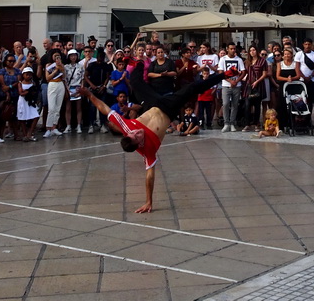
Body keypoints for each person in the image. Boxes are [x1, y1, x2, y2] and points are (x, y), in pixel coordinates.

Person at [85, 62, 225, 212]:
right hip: (168, 109)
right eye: (137, 136)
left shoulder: (127, 128)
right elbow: (149, 176)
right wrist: (148, 201)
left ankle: (138, 62)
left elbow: (105, 109)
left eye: (134, 132)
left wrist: (88, 94)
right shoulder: (148, 150)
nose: (138, 132)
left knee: (135, 82)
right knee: (191, 89)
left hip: (152, 103)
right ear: (139, 144)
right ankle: (224, 75)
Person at [217, 43, 245, 132]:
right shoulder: (223, 59)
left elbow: (243, 72)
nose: (233, 50)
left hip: (237, 85)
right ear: (227, 49)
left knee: (235, 104)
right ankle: (226, 123)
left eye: (234, 49)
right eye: (231, 49)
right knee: (225, 104)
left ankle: (232, 123)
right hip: (226, 85)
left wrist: (236, 81)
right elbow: (221, 72)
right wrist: (230, 81)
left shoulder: (239, 59)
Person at [43, 51, 67, 138]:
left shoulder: (62, 65)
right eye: (55, 56)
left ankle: (54, 127)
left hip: (60, 84)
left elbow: (64, 76)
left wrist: (61, 68)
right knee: (51, 108)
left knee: (58, 108)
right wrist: (56, 69)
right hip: (52, 84)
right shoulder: (48, 65)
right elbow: (47, 78)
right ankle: (48, 128)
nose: (57, 58)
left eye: (58, 56)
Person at [16, 67, 41, 141]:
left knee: (36, 116)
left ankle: (30, 133)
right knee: (22, 118)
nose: (28, 76)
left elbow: (34, 92)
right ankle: (25, 134)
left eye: (30, 74)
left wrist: (28, 91)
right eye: (27, 74)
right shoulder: (20, 83)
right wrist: (29, 91)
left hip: (31, 102)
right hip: (23, 102)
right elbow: (21, 93)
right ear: (23, 75)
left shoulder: (33, 83)